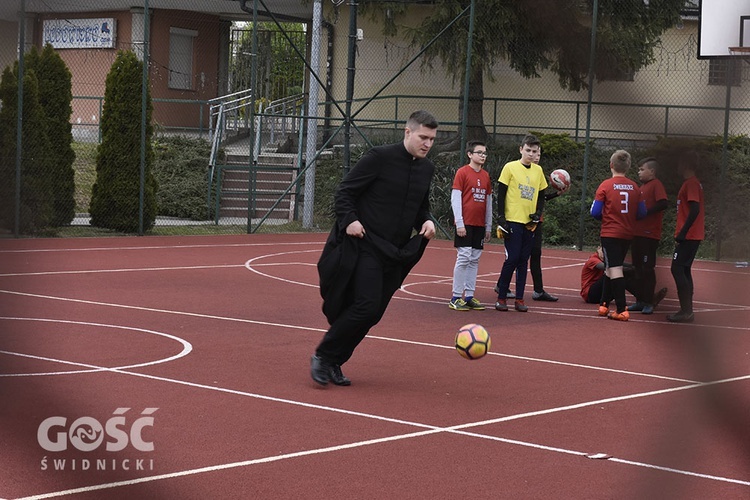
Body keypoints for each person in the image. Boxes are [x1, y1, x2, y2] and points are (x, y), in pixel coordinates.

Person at [312, 110, 439, 386]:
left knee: (375, 313)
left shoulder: (426, 169)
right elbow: (345, 192)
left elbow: (420, 207)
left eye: (432, 139)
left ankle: (335, 361)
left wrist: (426, 221)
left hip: (396, 253)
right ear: (408, 132)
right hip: (366, 245)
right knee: (366, 306)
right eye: (423, 137)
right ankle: (323, 355)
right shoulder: (379, 158)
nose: (428, 144)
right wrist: (350, 220)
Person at [590, 149, 646, 321]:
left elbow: (595, 211)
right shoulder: (635, 187)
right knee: (610, 267)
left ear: (611, 165)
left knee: (614, 269)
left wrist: (607, 217)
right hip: (627, 233)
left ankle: (621, 309)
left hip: (610, 232)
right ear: (628, 167)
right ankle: (604, 304)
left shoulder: (605, 185)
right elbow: (642, 212)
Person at [493, 134, 547, 313]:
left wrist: (537, 214)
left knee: (524, 260)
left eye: (534, 151)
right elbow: (501, 194)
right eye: (528, 150)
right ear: (521, 150)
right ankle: (501, 297)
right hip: (513, 221)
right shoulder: (510, 168)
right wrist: (501, 218)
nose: (531, 154)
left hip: (529, 223)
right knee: (512, 258)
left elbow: (541, 195)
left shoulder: (538, 171)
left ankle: (519, 298)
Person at [449, 140, 493, 311]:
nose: (483, 156)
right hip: (465, 223)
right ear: (470, 154)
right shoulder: (462, 173)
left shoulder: (486, 176)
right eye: (479, 152)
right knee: (464, 257)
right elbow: (456, 198)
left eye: (484, 153)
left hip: (479, 224)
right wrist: (459, 222)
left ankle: (469, 296)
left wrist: (488, 225)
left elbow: (488, 201)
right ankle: (455, 296)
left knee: (474, 259)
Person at [628, 157, 669, 314]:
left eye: (642, 169)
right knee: (636, 268)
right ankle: (640, 300)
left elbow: (663, 203)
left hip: (649, 234)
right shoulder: (642, 187)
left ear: (652, 171)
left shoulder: (656, 185)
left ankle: (649, 301)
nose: (639, 172)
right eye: (638, 169)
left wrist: (646, 212)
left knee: (647, 268)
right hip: (637, 233)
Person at [667, 150, 705, 323]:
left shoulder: (691, 184)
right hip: (691, 234)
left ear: (686, 165)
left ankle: (686, 310)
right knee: (684, 269)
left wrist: (683, 232)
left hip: (689, 235)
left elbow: (695, 208)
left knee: (677, 268)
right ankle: (687, 309)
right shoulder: (692, 183)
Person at [529, 148, 569, 302]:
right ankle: (502, 286)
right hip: (520, 219)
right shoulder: (519, 171)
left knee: (536, 254)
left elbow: (541, 198)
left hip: (536, 221)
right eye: (533, 152)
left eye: (539, 154)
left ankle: (538, 290)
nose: (536, 156)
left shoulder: (539, 173)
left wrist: (556, 194)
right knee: (517, 256)